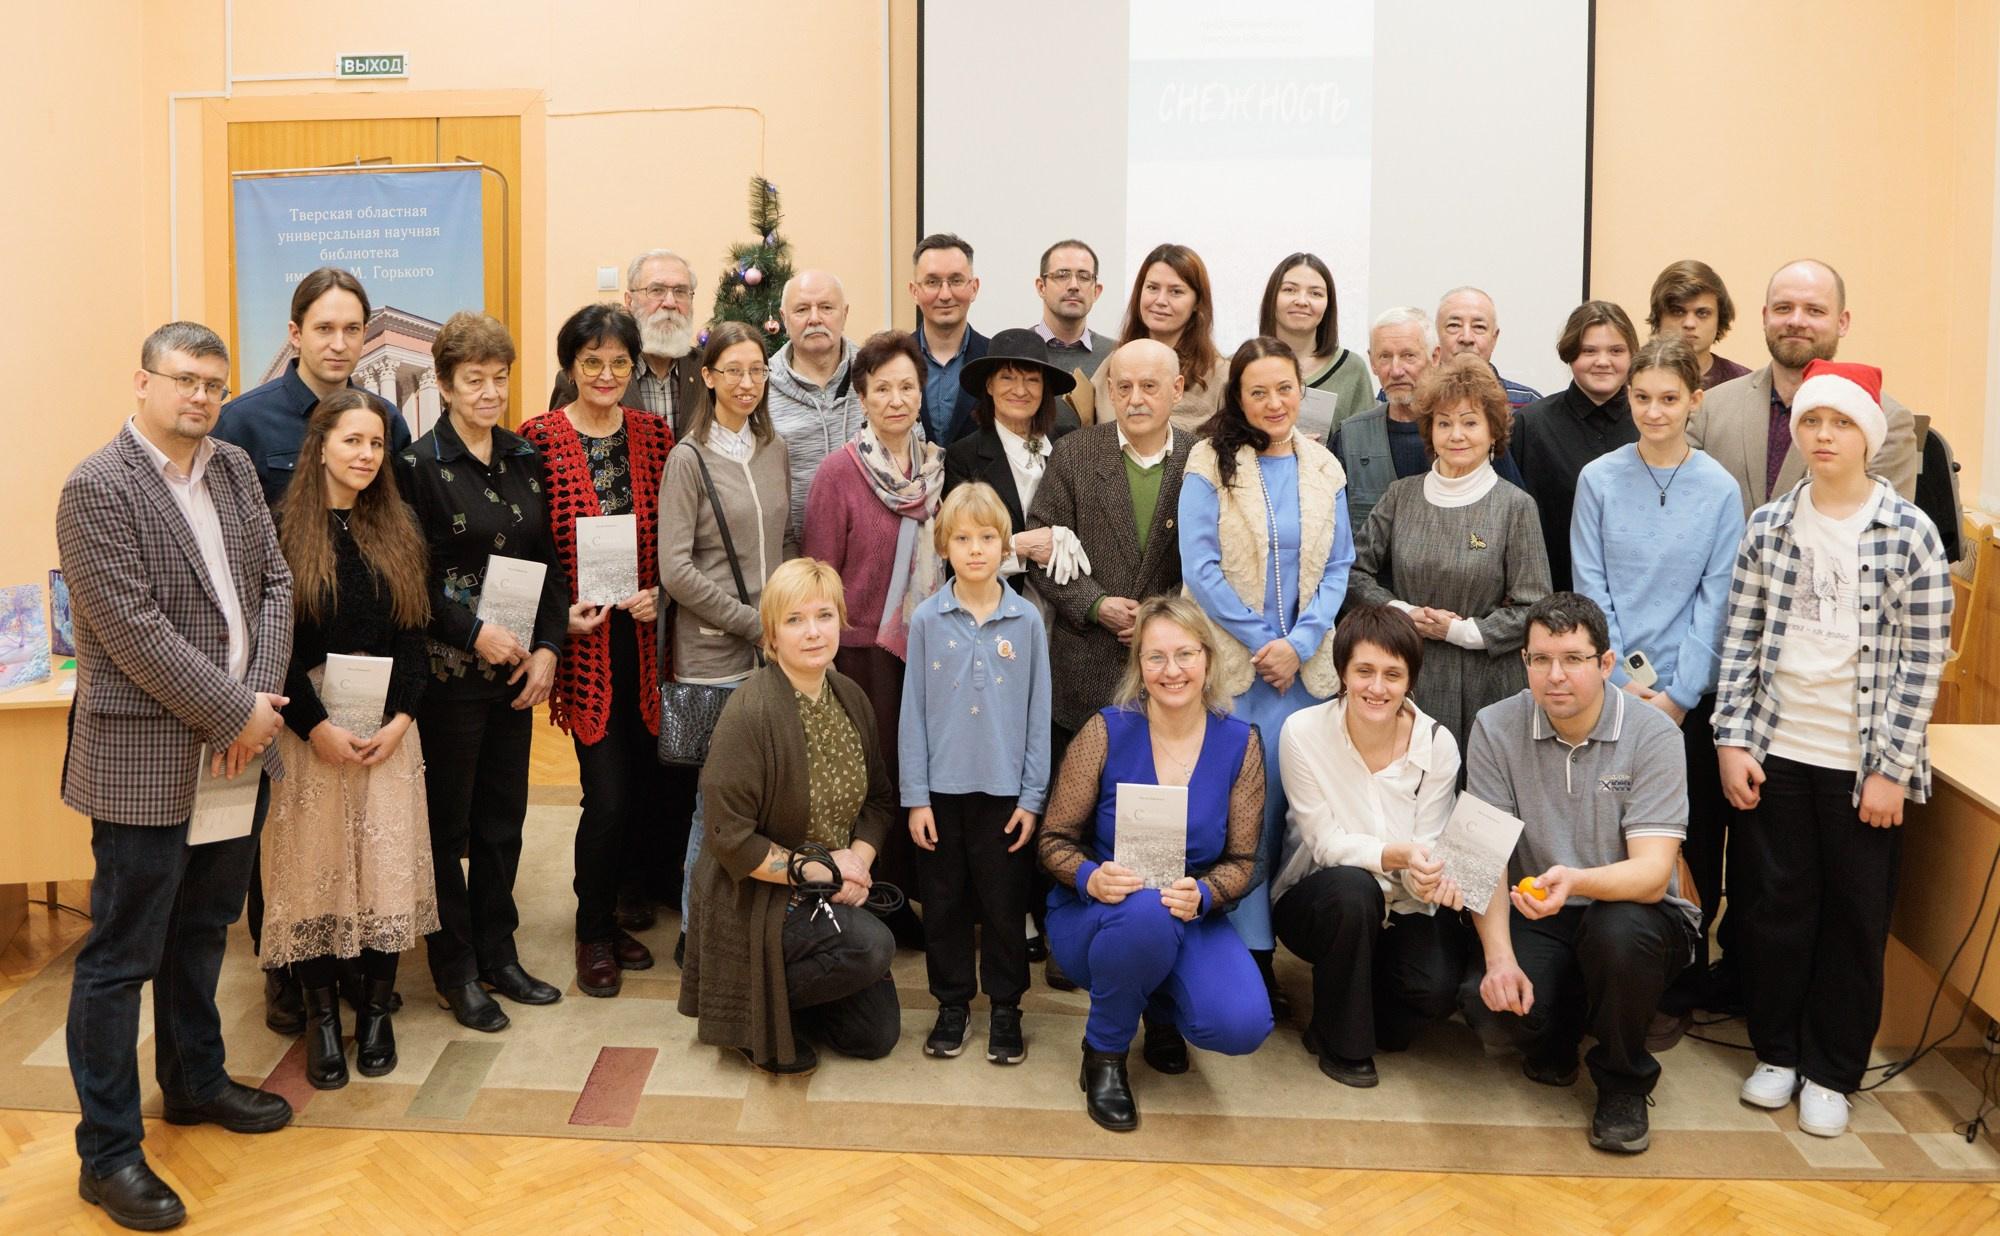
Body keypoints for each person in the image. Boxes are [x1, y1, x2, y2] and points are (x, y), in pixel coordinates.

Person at [57, 322, 295, 1230]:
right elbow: (132, 633)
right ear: (143, 381)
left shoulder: (231, 467)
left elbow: (273, 585)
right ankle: (107, 1153)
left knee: (203, 931)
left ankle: (194, 1083)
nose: (200, 396)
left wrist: (260, 697)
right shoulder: (97, 487)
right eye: (184, 380)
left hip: (238, 749)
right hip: (146, 760)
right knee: (121, 960)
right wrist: (234, 712)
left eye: (213, 383)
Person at [1716, 360, 1952, 1139]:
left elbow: (1923, 659)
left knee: (1853, 920)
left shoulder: (1908, 531)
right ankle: (1777, 1053)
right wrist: (1731, 739)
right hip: (1777, 750)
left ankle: (1831, 1070)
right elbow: (1741, 640)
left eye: (1841, 424)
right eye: (1813, 421)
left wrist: (1889, 767)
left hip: (1862, 766)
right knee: (1775, 911)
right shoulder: (1769, 525)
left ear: (1868, 437)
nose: (1823, 436)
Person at [1463, 592, 1700, 1156]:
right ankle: (1561, 1028)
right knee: (1487, 1003)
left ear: (1605, 664)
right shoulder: (1495, 727)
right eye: (1541, 659)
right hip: (1540, 911)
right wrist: (1499, 961)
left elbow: (1649, 875)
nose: (1555, 675)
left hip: (1635, 913)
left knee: (1618, 936)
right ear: (1524, 662)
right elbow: (1479, 859)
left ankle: (1622, 1084)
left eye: (1572, 658)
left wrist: (1576, 879)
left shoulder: (1655, 735)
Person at [396, 312, 574, 1032]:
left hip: (517, 675)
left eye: (500, 378)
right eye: (474, 380)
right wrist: (476, 633)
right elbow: (409, 580)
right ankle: (456, 968)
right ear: (444, 384)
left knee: (503, 823)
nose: (490, 392)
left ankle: (501, 953)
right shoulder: (414, 467)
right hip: (447, 678)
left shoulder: (525, 456)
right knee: (447, 829)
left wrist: (549, 652)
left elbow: (551, 565)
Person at [1039, 597, 1274, 1132]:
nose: (1172, 670)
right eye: (1156, 657)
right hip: (1099, 917)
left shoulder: (1241, 743)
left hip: (1188, 913)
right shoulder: (1105, 730)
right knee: (1144, 913)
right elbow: (1053, 840)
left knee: (1241, 1026)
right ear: (1139, 667)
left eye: (1185, 655)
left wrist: (1206, 895)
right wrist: (1089, 877)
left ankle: (1159, 1007)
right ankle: (1103, 1054)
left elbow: (1244, 860)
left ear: (1208, 662)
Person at [1569, 336, 1745, 1046]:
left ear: (1695, 401)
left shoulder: (1721, 490)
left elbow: (1718, 598)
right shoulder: (1599, 479)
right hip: (1607, 685)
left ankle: (1676, 983)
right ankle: (1598, 972)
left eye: (1670, 398)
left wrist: (1677, 697)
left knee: (1688, 840)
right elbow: (1590, 580)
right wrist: (1612, 677)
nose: (1653, 410)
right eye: (1642, 397)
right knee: (1606, 827)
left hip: (1684, 702)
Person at [261, 388, 436, 1088]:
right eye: (352, 441)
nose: (366, 455)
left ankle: (377, 1014)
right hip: (312, 738)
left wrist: (400, 722)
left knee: (382, 873)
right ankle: (321, 1017)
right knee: (313, 875)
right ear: (320, 445)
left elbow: (415, 636)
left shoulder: (399, 525)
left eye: (376, 444)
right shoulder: (282, 530)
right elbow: (275, 649)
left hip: (388, 736)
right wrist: (317, 728)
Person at [1177, 336, 1355, 1013]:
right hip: (1235, 674)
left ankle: (1282, 941)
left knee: (1293, 818)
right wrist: (1264, 642)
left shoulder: (1324, 467)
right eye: (1258, 391)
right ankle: (1249, 961)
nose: (1273, 402)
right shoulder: (1208, 462)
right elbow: (1201, 568)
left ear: (1300, 392)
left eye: (1284, 389)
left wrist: (1301, 641)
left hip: (1303, 679)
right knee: (1240, 820)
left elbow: (1339, 566)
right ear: (1238, 398)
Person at [679, 558, 903, 1073]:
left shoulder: (850, 697)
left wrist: (857, 862)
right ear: (772, 635)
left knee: (874, 1036)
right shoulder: (751, 711)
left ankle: (786, 1000)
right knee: (872, 947)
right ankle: (744, 1008)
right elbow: (728, 838)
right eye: (795, 620)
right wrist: (824, 870)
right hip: (756, 895)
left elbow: (879, 802)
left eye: (824, 616)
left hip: (825, 888)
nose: (812, 632)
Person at [520, 304, 676, 997]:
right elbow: (524, 547)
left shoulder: (654, 435)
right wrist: (560, 621)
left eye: (619, 363)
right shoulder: (538, 440)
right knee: (606, 797)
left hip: (644, 640)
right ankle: (591, 936)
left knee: (641, 792)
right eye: (592, 363)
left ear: (634, 368)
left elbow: (678, 535)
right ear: (570, 367)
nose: (606, 375)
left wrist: (659, 591)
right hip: (582, 645)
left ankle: (611, 913)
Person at [1271, 605, 1466, 1087]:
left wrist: (1423, 870)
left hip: (1403, 903)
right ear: (1342, 673)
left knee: (1433, 994)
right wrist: (1398, 856)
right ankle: (1339, 1041)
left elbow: (1430, 841)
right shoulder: (1302, 732)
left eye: (1392, 675)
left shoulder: (1438, 745)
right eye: (1364, 671)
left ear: (1410, 680)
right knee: (1354, 891)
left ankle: (1357, 996)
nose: (1377, 688)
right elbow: (1324, 843)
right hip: (1322, 898)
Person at [901, 483, 1053, 1065]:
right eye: (962, 539)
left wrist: (1032, 797)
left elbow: (1038, 717)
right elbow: (911, 713)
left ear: (1004, 545)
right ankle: (952, 1004)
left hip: (1005, 796)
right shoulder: (925, 619)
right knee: (943, 906)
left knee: (1003, 906)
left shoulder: (1028, 621)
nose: (975, 550)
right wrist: (916, 797)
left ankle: (1008, 1008)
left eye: (987, 537)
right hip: (939, 794)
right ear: (944, 545)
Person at [660, 320, 798, 952]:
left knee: (763, 800)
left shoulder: (773, 450)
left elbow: (784, 542)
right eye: (733, 370)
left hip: (776, 655)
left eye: (758, 370)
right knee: (711, 807)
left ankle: (752, 924)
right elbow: (676, 570)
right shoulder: (687, 457)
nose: (747, 383)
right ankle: (698, 932)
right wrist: (755, 624)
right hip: (715, 655)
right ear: (708, 376)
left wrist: (793, 620)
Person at [1348, 354, 1552, 749]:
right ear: (1430, 431)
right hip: (1407, 675)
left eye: (1470, 422)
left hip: (1487, 683)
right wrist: (1403, 614)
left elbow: (1534, 607)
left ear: (1493, 430)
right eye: (1444, 423)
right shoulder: (1401, 495)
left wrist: (1460, 631)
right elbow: (1353, 573)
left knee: (1480, 800)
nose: (1456, 434)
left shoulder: (1515, 506)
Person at [1028, 339, 1196, 759]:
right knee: (1078, 807)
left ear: (1177, 389)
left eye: (1149, 387)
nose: (1134, 400)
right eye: (1123, 388)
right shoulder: (1074, 453)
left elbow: (1218, 559)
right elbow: (1041, 547)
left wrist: (1162, 610)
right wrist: (1096, 604)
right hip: (1086, 667)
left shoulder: (1202, 459)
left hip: (1173, 668)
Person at [1687, 259, 1921, 517]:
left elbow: (1884, 538)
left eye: (1815, 311)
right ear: (1765, 318)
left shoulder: (1884, 420)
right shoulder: (1710, 408)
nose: (1796, 321)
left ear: (1842, 323)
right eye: (1784, 308)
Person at [216, 266, 414, 506]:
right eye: (324, 329)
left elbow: (400, 514)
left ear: (364, 334)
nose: (339, 345)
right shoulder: (240, 423)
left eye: (351, 329)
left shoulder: (388, 419)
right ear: (296, 334)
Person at [1332, 307, 1523, 531]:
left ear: (1434, 357)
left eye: (1408, 355)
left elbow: (1515, 516)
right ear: (1373, 362)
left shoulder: (1469, 436)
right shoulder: (1351, 438)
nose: (1396, 371)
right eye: (1385, 357)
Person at [941, 328, 1080, 603]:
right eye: (1007, 377)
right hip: (996, 606)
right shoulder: (963, 456)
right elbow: (960, 553)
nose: (1020, 390)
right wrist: (1022, 546)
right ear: (989, 385)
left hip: (1068, 609)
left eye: (1032, 379)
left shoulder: (1069, 442)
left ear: (1044, 388)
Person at [1510, 300, 1641, 592]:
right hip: (1551, 596)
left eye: (1616, 351)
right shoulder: (1530, 425)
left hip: (1637, 595)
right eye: (1589, 351)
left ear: (1633, 355)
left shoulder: (1652, 424)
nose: (1603, 361)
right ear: (1570, 354)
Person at [1092, 243, 1228, 437]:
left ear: (1197, 302)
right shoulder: (1112, 364)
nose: (1161, 300)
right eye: (1152, 288)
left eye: (1176, 292)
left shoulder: (1220, 376)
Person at [768, 269, 863, 539]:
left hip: (872, 557)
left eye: (826, 307)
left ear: (844, 314)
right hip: (795, 562)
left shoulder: (875, 374)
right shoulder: (761, 388)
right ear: (784, 319)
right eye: (801, 310)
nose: (814, 318)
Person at [1260, 253, 1373, 437]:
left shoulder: (1352, 368)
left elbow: (1364, 445)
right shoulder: (1238, 365)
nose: (1302, 301)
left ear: (1328, 305)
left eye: (1315, 293)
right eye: (1289, 290)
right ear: (1272, 297)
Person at [610, 248, 706, 433]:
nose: (670, 302)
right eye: (656, 290)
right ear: (630, 301)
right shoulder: (592, 375)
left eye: (680, 292)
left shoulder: (709, 369)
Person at [910, 233, 989, 445]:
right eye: (932, 282)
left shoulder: (994, 360)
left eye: (956, 280)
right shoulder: (893, 360)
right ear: (914, 291)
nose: (945, 295)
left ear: (974, 288)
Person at [1646, 259, 1751, 390]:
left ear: (1720, 319)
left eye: (1702, 313)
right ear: (1658, 317)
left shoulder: (1745, 385)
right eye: (1677, 311)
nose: (1689, 324)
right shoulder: (1635, 379)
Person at [1435, 286, 1542, 409]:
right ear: (1436, 335)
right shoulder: (1417, 404)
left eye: (1479, 327)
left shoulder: (1528, 405)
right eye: (1454, 325)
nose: (1466, 338)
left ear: (1494, 338)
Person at [1032, 239, 1118, 379]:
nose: (1074, 285)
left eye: (1084, 277)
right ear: (1041, 287)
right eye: (1062, 275)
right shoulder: (1014, 351)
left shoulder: (1115, 355)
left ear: (1096, 292)